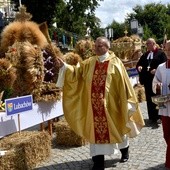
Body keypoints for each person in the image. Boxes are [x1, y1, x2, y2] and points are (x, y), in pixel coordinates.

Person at [56, 36, 144, 170]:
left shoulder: (116, 63)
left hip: (112, 106)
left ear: (107, 47)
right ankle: (98, 162)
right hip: (93, 107)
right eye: (95, 46)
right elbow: (77, 73)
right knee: (95, 134)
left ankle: (124, 151)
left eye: (99, 46)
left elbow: (124, 84)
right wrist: (65, 66)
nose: (95, 48)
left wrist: (125, 102)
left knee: (118, 129)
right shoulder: (90, 62)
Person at [136, 38, 167, 124]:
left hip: (157, 80)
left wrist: (157, 70)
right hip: (147, 80)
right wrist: (139, 67)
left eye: (148, 44)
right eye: (146, 44)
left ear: (153, 44)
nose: (147, 46)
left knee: (157, 98)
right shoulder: (145, 54)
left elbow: (164, 64)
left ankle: (159, 117)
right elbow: (139, 63)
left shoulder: (161, 54)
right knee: (149, 99)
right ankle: (152, 116)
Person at [152, 40, 170, 170]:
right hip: (165, 106)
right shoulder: (161, 67)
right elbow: (155, 83)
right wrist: (157, 87)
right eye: (166, 49)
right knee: (166, 135)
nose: (168, 51)